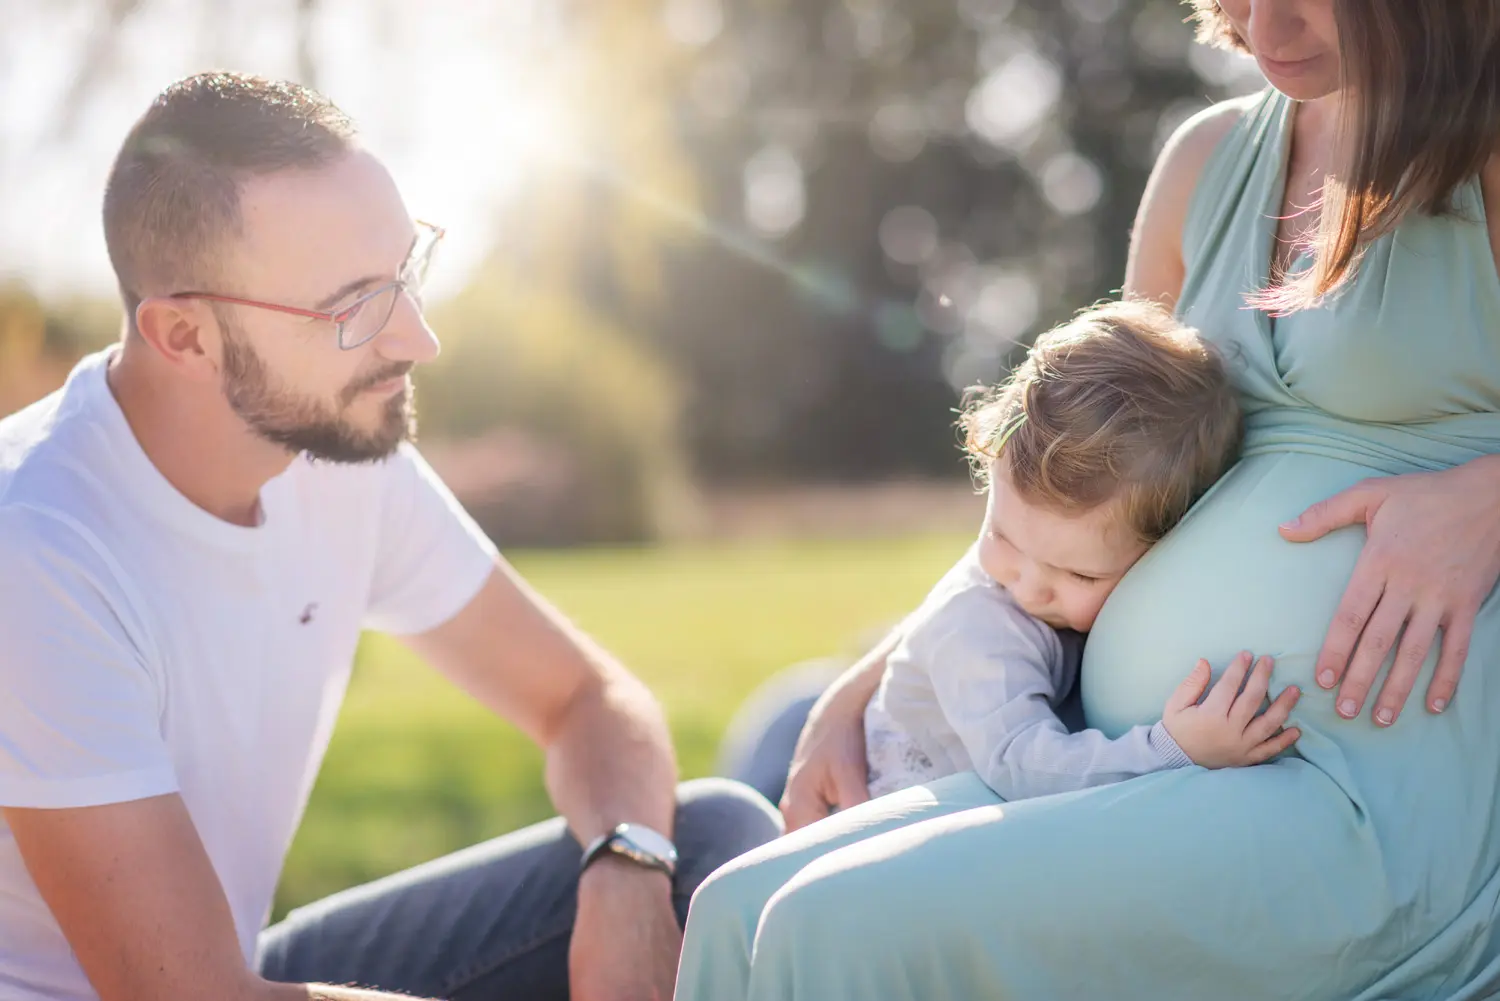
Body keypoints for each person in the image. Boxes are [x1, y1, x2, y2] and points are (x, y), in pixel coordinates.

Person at [679, 1, 1500, 998]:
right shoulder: (1207, 160)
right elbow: (1071, 478)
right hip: (1123, 760)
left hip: (1358, 792)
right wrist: (862, 684)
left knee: (829, 927)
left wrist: (1487, 496)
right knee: (735, 908)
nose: (1261, 19)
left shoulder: (1483, 157)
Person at [0, 72, 782, 1001]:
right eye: (354, 306)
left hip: (240, 977)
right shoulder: (38, 548)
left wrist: (626, 870)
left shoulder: (337, 458)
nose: (418, 338)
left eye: (406, 272)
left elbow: (586, 696)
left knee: (707, 849)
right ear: (185, 335)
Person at [864, 300, 1303, 801]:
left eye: (1078, 576)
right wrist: (1172, 749)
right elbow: (1022, 768)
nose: (1028, 586)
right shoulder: (976, 629)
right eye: (1002, 536)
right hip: (902, 825)